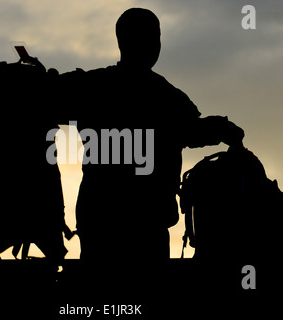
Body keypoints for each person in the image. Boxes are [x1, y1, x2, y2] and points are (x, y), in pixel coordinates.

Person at [59, 8, 244, 265]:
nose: (155, 44)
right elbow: (193, 131)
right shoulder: (167, 97)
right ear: (126, 40)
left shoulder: (89, 87)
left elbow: (43, 102)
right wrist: (225, 130)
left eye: (156, 36)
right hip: (145, 222)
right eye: (151, 36)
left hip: (102, 218)